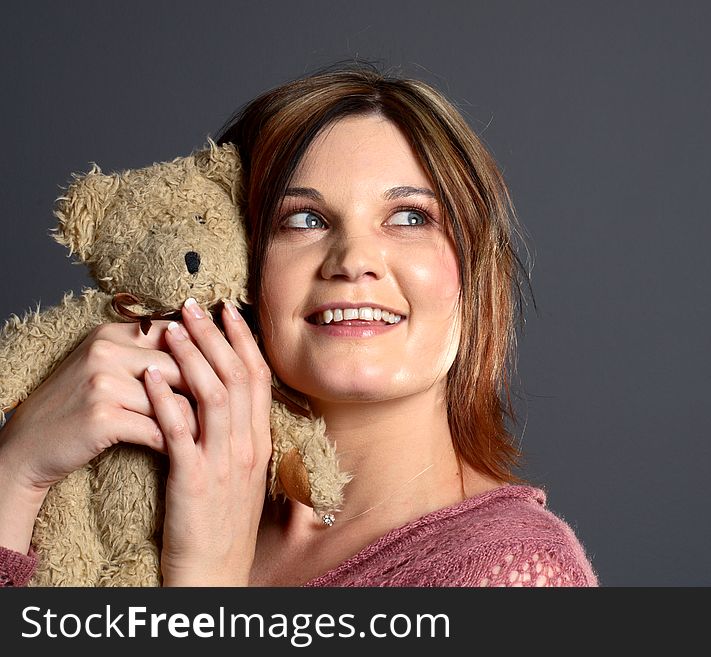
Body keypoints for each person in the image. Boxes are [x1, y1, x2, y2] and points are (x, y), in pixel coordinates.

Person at [0, 63, 599, 587]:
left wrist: (206, 586)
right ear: (241, 265)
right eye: (305, 220)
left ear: (476, 273)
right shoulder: (136, 517)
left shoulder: (514, 569)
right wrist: (16, 471)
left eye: (410, 216)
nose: (353, 260)